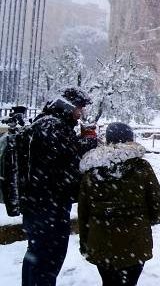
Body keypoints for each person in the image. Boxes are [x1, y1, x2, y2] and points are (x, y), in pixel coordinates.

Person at [19, 87, 97, 286]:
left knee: (36, 256)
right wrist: (88, 143)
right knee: (47, 261)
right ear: (68, 106)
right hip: (49, 206)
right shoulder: (54, 127)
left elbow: (59, 158)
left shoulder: (44, 124)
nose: (81, 114)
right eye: (79, 108)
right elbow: (68, 165)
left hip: (38, 204)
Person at [79, 122, 160, 286]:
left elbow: (84, 210)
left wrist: (86, 241)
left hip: (101, 240)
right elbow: (156, 198)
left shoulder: (92, 170)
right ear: (130, 139)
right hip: (135, 240)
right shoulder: (142, 167)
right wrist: (149, 219)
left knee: (108, 282)